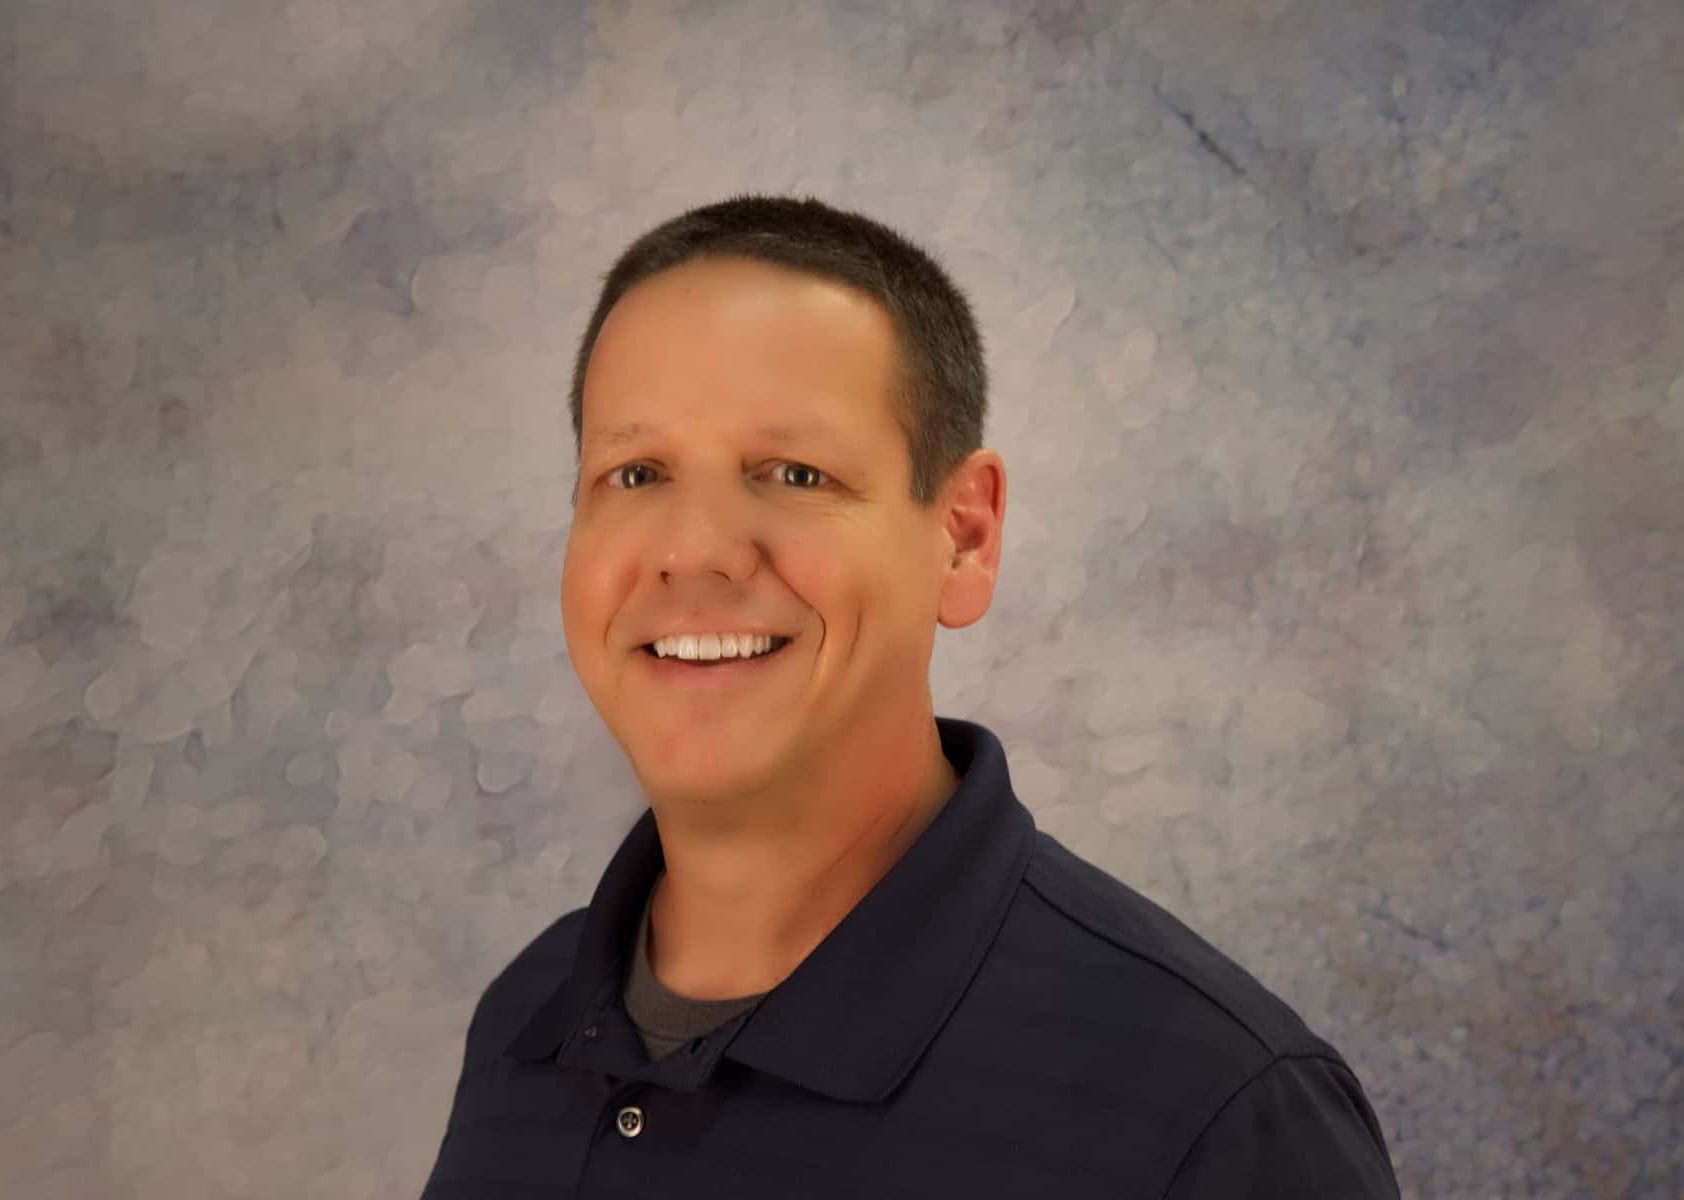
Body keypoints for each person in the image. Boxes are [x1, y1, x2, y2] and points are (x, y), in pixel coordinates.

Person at [420, 195, 1399, 1198]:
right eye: (635, 474)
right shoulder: (526, 1022)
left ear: (963, 537)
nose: (694, 548)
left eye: (794, 472)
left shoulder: (1216, 1114)